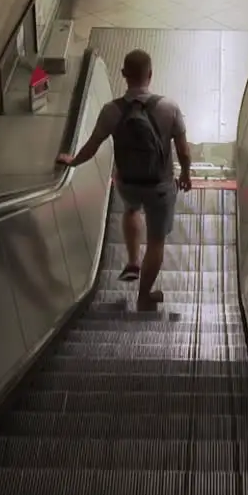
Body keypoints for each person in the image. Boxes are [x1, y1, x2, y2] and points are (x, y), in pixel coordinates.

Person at [56, 49, 193, 308]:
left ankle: (132, 260)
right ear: (150, 75)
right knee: (156, 242)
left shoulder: (111, 111)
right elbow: (184, 151)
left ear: (123, 75)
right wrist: (186, 175)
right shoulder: (169, 107)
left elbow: (92, 146)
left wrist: (72, 161)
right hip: (160, 186)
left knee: (131, 209)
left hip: (128, 183)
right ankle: (144, 296)